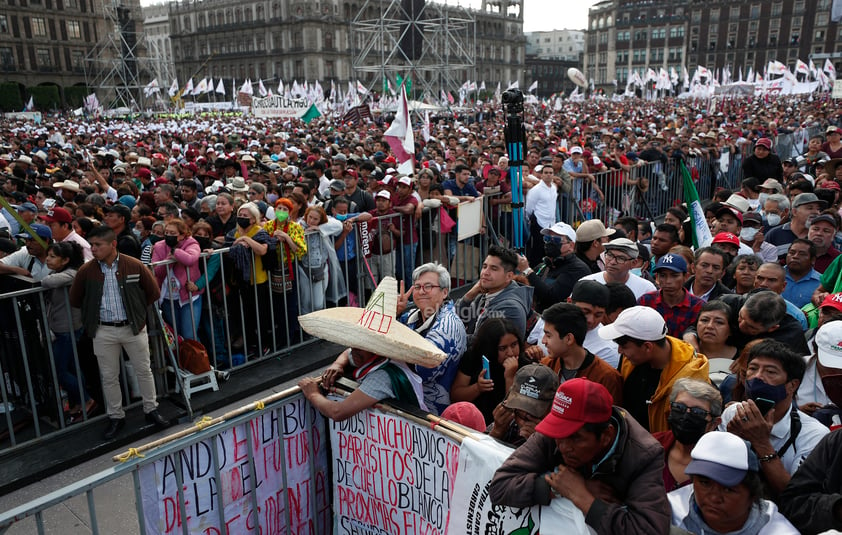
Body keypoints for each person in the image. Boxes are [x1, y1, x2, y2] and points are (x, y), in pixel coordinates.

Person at [489, 378, 671, 534]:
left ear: (606, 435)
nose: (564, 447)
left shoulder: (643, 455)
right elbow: (499, 487)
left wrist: (585, 499)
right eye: (560, 436)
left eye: (575, 438)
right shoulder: (555, 431)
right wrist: (555, 487)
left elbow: (650, 530)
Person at [68, 225, 170, 440]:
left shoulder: (133, 264)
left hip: (132, 327)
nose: (93, 249)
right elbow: (75, 299)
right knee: (109, 376)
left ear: (112, 244)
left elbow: (152, 292)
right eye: (92, 245)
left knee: (144, 370)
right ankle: (116, 416)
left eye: (98, 245)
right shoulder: (86, 271)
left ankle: (151, 409)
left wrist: (137, 314)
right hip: (103, 330)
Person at [298, 277, 438, 420]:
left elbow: (337, 412)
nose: (354, 349)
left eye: (362, 344)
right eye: (355, 342)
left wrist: (313, 394)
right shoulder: (365, 354)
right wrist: (338, 364)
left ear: (378, 348)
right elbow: (348, 353)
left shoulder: (382, 377)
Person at [718, 339, 829, 496]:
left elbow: (795, 496)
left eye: (770, 372)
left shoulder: (813, 435)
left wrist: (762, 443)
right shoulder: (733, 413)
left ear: (792, 385)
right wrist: (733, 440)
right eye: (753, 369)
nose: (758, 377)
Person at [599, 306, 709, 433]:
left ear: (647, 346)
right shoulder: (629, 360)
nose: (619, 351)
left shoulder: (691, 379)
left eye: (623, 346)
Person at [669, 431, 799, 534]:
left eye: (728, 489)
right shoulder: (669, 511)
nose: (714, 497)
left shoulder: (778, 531)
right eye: (704, 483)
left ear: (753, 495)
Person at [397, 262, 467, 415]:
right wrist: (394, 313)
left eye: (428, 286)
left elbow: (423, 368)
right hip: (409, 403)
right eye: (417, 287)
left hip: (435, 415)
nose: (421, 291)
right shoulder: (410, 316)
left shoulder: (448, 327)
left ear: (444, 292)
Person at [41, 241, 96, 422]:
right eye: (48, 256)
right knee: (71, 367)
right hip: (62, 327)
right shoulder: (62, 272)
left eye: (52, 256)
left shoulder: (72, 274)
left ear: (65, 260)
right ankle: (81, 402)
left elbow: (46, 281)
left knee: (59, 371)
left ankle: (87, 400)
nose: (47, 260)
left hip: (67, 329)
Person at [538, 302, 623, 403]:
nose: (543, 341)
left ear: (569, 339)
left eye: (548, 336)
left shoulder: (606, 377)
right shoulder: (546, 366)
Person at [451, 318, 531, 424]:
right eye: (503, 348)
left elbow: (513, 412)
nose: (510, 353)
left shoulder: (525, 366)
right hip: (474, 423)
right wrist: (477, 388)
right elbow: (455, 397)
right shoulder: (473, 358)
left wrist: (510, 377)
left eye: (514, 345)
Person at [653, 379, 723, 492]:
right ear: (670, 410)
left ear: (714, 423)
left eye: (698, 412)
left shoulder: (722, 461)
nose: (686, 416)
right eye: (679, 407)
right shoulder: (650, 446)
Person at [455, 245, 533, 338]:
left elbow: (481, 343)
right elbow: (456, 320)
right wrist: (469, 295)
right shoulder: (486, 293)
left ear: (509, 276)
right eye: (484, 267)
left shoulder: (511, 308)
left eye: (493, 268)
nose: (485, 272)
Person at [518, 222, 590, 313]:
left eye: (556, 240)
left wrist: (527, 270)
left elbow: (552, 297)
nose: (550, 243)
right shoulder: (544, 266)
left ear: (571, 246)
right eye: (547, 239)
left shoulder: (578, 269)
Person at [152, 218, 203, 341]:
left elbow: (190, 259)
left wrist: (175, 252)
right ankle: (182, 360)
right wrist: (168, 261)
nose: (168, 236)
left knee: (189, 335)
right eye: (167, 233)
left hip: (188, 296)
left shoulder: (191, 243)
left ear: (182, 235)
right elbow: (156, 270)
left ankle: (199, 359)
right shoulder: (159, 246)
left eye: (173, 234)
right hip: (168, 297)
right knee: (177, 335)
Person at [487, 363, 558, 447]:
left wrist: (539, 445)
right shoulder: (508, 419)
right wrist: (497, 431)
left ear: (551, 408)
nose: (523, 419)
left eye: (532, 411)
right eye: (519, 407)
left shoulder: (557, 437)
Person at [638, 253, 704, 338]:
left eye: (674, 276)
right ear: (657, 277)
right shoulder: (645, 302)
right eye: (663, 275)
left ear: (686, 277)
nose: (668, 281)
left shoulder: (698, 306)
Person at [579, 237, 656, 299]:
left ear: (633, 263)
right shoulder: (585, 283)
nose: (612, 262)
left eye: (621, 258)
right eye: (609, 255)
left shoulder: (646, 289)